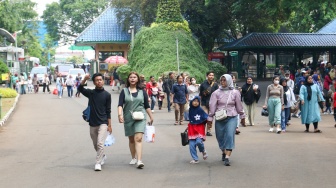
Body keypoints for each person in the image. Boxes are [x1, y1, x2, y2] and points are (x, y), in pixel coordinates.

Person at [118, 72, 154, 169]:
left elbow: (146, 105)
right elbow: (120, 104)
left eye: (134, 77)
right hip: (128, 117)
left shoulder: (142, 92)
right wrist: (119, 114)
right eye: (131, 77)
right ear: (128, 79)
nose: (132, 79)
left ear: (137, 79)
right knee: (131, 139)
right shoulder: (124, 91)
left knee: (138, 138)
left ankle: (139, 160)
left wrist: (151, 116)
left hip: (140, 117)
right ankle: (133, 157)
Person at [207, 74, 245, 166]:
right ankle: (223, 151)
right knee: (220, 137)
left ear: (229, 81)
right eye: (221, 80)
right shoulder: (216, 93)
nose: (223, 82)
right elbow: (212, 106)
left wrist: (242, 116)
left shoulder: (235, 92)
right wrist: (210, 118)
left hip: (232, 117)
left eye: (225, 80)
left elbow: (239, 106)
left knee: (229, 135)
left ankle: (227, 157)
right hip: (220, 117)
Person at [78, 73, 112, 171]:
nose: (99, 81)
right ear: (94, 82)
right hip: (93, 122)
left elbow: (108, 110)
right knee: (95, 144)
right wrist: (84, 79)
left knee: (100, 143)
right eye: (97, 80)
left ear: (103, 81)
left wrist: (109, 124)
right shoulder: (91, 93)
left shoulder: (107, 95)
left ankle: (98, 163)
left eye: (100, 79)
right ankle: (103, 155)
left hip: (103, 122)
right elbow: (80, 88)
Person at [187, 96, 208, 164]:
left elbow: (205, 117)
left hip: (199, 128)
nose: (195, 103)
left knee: (199, 142)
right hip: (192, 129)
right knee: (191, 145)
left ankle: (203, 151)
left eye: (197, 101)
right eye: (194, 101)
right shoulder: (190, 109)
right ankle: (195, 159)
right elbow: (190, 119)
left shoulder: (200, 110)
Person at [199, 71, 219, 136]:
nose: (211, 76)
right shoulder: (203, 84)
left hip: (212, 103)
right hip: (204, 102)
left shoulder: (215, 85)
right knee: (205, 117)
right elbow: (200, 94)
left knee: (210, 117)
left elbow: (218, 94)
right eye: (210, 75)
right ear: (207, 76)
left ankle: (208, 130)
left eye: (212, 75)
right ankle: (202, 129)